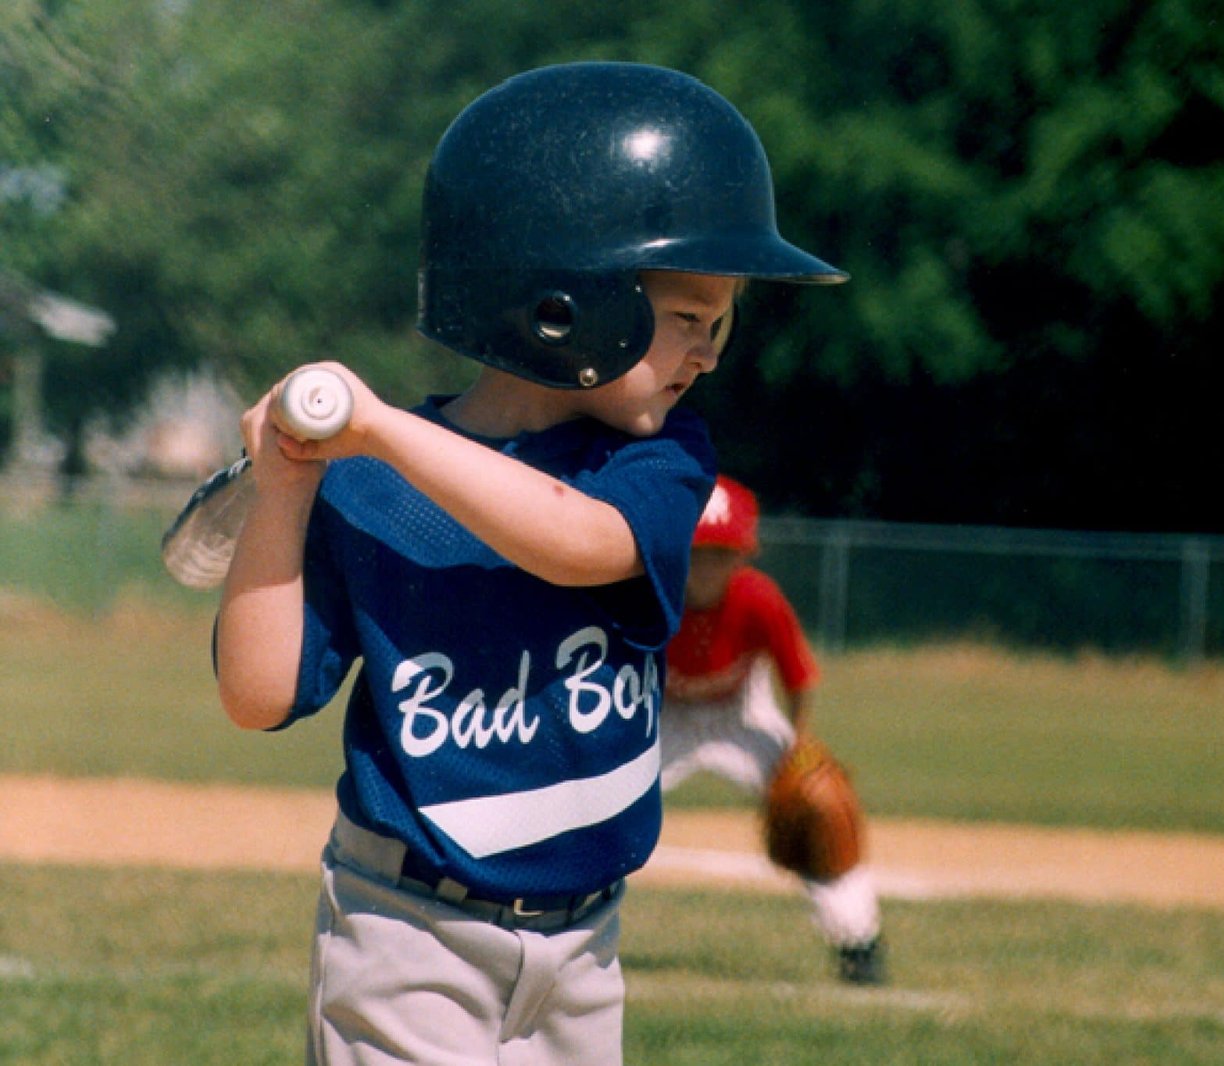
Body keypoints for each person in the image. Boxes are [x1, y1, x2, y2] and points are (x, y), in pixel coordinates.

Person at [212, 62, 846, 1065]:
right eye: (688, 317)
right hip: (406, 928)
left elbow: (577, 541)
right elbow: (254, 694)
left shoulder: (655, 461)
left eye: (720, 322)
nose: (711, 352)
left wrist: (374, 429)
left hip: (585, 950)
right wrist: (287, 491)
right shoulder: (366, 483)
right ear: (563, 304)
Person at [660, 475, 887, 985]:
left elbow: (799, 678)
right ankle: (552, 925)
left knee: (819, 813)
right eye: (698, 552)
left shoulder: (758, 599)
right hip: (664, 716)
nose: (709, 566)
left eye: (723, 553)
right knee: (602, 806)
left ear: (743, 555)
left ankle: (859, 940)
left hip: (743, 712)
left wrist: (799, 747)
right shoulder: (651, 595)